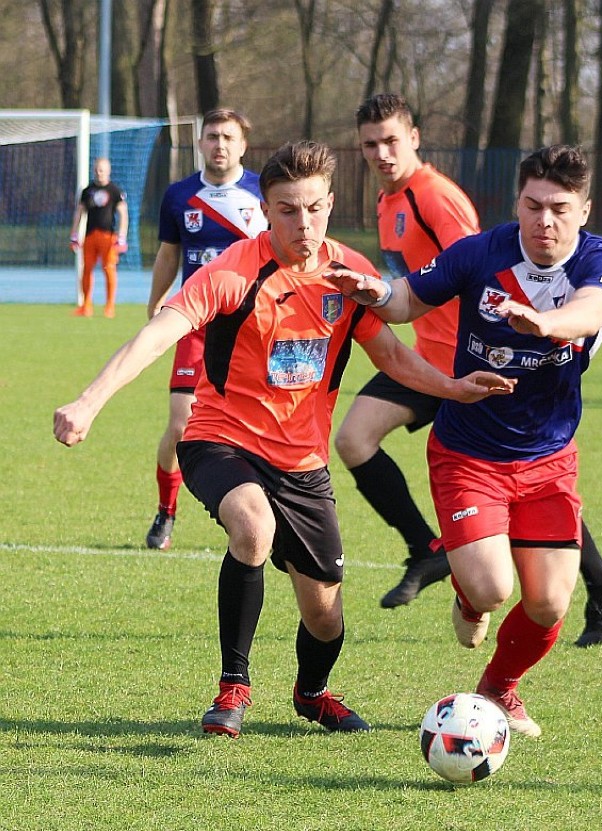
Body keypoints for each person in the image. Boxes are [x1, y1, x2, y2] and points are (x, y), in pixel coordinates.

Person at [54, 140, 513, 740]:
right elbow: (157, 334)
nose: (305, 224)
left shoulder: (349, 276)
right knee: (252, 526)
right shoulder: (234, 272)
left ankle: (312, 693)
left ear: (330, 204)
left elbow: (393, 356)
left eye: (316, 208)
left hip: (302, 462)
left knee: (325, 616)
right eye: (288, 210)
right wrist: (89, 401)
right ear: (265, 209)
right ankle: (233, 687)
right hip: (221, 440)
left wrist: (453, 388)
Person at [327, 145, 602, 737]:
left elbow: (598, 307)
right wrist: (372, 291)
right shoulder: (481, 252)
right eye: (533, 205)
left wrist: (548, 323)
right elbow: (408, 300)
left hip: (548, 458)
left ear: (584, 211)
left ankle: (499, 689)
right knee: (492, 589)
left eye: (560, 210)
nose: (544, 221)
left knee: (548, 605)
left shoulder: (600, 263)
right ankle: (469, 594)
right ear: (517, 202)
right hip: (469, 453)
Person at [145, 108, 268, 551]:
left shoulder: (263, 193)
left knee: (259, 426)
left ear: (243, 145)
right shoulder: (179, 195)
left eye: (228, 137)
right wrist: (156, 299)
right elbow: (168, 254)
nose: (220, 144)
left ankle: (258, 513)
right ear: (200, 142)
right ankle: (166, 511)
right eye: (212, 136)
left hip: (251, 326)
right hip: (196, 323)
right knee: (180, 426)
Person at [69, 157, 129, 318]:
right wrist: (74, 234)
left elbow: (123, 214)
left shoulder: (115, 191)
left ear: (108, 171)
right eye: (96, 169)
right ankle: (85, 306)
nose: (99, 172)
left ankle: (109, 306)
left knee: (109, 269)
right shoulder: (87, 190)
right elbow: (79, 212)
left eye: (102, 169)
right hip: (90, 236)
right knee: (86, 269)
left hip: (108, 236)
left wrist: (122, 236)